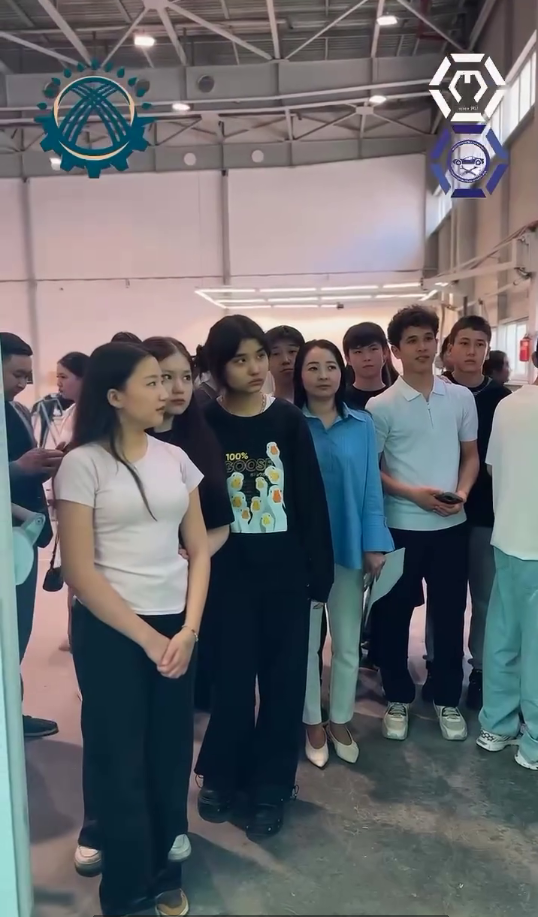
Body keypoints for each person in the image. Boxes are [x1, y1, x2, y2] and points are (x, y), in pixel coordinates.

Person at [54, 342, 210, 917]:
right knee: (119, 759)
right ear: (116, 396)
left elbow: (199, 550)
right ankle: (125, 885)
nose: (167, 391)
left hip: (176, 628)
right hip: (111, 629)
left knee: (169, 755)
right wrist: (149, 639)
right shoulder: (82, 464)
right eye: (152, 382)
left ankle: (166, 870)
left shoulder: (176, 459)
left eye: (168, 380)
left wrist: (189, 630)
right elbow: (78, 570)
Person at [194, 315, 334, 839]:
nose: (256, 368)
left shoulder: (287, 421)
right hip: (226, 578)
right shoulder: (205, 422)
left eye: (260, 356)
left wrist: (319, 570)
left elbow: (310, 498)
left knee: (282, 685)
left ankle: (273, 786)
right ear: (219, 366)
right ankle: (222, 774)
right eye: (240, 359)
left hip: (285, 577)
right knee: (230, 682)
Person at [366, 305, 479, 742]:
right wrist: (412, 494)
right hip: (401, 528)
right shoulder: (381, 406)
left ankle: (447, 699)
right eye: (411, 341)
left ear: (437, 343)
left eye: (428, 338)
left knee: (449, 615)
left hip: (452, 526)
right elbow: (373, 471)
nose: (422, 347)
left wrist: (462, 493)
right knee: (394, 615)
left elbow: (470, 457)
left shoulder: (460, 398)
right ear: (395, 351)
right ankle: (397, 696)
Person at [295, 340, 393, 768]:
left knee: (348, 643)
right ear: (300, 374)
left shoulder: (362, 424)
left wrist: (375, 543)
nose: (323, 375)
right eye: (313, 367)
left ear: (342, 372)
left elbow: (372, 489)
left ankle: (339, 720)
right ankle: (312, 723)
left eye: (330, 366)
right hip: (302, 552)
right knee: (305, 645)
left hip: (349, 548)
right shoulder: (289, 423)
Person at [423, 316, 511, 710]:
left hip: (486, 513)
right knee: (443, 598)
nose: (472, 351)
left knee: (485, 598)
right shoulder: (434, 393)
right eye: (464, 343)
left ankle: (480, 671)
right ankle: (437, 663)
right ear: (449, 349)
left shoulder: (502, 399)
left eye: (480, 344)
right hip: (439, 511)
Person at [144, 336, 232, 710]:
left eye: (186, 376)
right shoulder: (120, 446)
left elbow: (222, 523)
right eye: (166, 377)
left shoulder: (202, 439)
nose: (179, 388)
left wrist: (194, 554)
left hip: (197, 578)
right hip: (140, 583)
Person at [476, 341, 538, 770]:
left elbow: (492, 468)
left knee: (503, 635)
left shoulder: (509, 405)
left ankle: (496, 726)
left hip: (509, 536)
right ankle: (533, 741)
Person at [2, 332, 62, 739]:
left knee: (19, 631)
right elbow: (15, 469)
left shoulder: (18, 411)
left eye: (28, 375)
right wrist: (18, 469)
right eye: (17, 375)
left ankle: (12, 712)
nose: (25, 383)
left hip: (23, 535)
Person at [49, 352, 90, 653]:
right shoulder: (71, 410)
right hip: (67, 497)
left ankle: (79, 632)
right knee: (71, 569)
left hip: (82, 501)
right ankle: (73, 631)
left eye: (64, 377)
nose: (59, 383)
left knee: (80, 568)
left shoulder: (92, 414)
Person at [343, 322, 394, 410]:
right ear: (348, 359)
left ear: (385, 353)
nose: (367, 358)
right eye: (358, 352)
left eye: (373, 349)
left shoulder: (397, 397)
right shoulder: (340, 402)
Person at [265, 325, 305, 401]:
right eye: (276, 353)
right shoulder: (263, 406)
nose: (285, 360)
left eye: (292, 351)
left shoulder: (318, 403)